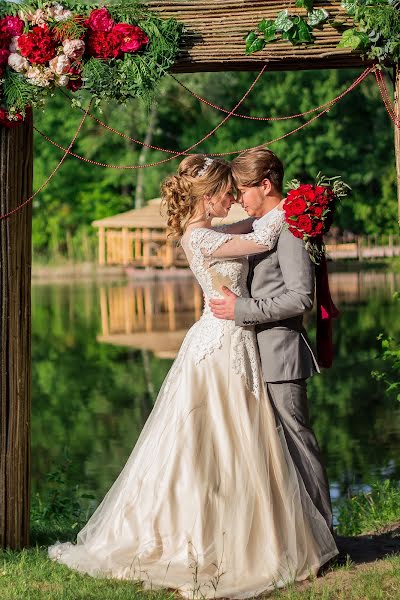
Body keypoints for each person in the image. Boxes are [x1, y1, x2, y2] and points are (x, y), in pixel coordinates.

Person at [48, 155, 337, 598]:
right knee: (215, 439)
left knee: (238, 442)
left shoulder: (210, 231)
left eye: (237, 192)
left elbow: (250, 233)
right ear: (208, 195)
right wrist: (300, 204)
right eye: (226, 193)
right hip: (221, 341)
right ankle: (209, 539)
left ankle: (254, 531)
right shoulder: (201, 236)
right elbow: (260, 238)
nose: (233, 201)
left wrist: (297, 204)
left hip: (236, 339)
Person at [210, 147, 334, 532]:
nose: (239, 201)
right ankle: (293, 534)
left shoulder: (292, 227)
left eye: (243, 191)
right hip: (253, 354)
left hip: (281, 354)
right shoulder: (265, 225)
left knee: (298, 445)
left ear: (265, 185)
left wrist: (241, 309)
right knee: (272, 451)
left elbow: (301, 297)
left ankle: (324, 534)